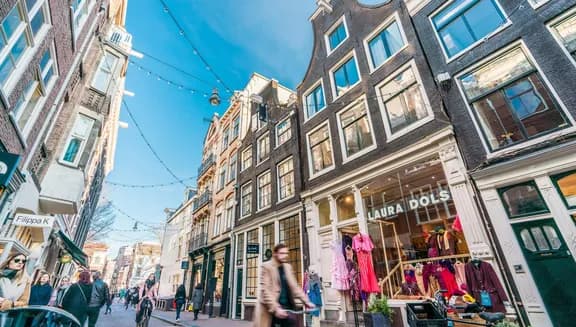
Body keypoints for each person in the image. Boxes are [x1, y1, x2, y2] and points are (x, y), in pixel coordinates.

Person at [254, 244, 315, 327]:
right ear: (275, 254)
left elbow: (295, 287)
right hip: (271, 310)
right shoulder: (267, 267)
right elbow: (266, 291)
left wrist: (307, 302)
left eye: (286, 253)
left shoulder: (287, 267)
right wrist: (276, 308)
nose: (285, 256)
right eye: (282, 253)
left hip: (287, 309)